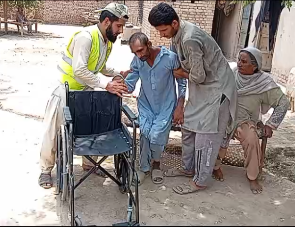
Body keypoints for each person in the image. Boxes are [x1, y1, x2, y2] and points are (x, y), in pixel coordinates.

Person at [148, 3, 238, 195]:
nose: (162, 35)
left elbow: (199, 76)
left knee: (206, 139)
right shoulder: (177, 36)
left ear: (174, 23)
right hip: (201, 90)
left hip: (216, 91)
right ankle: (188, 169)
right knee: (188, 129)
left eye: (163, 30)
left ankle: (201, 181)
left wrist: (180, 73)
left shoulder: (189, 39)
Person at [38, 3, 130, 189]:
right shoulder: (86, 37)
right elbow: (80, 69)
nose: (120, 31)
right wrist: (107, 84)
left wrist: (118, 72)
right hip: (65, 90)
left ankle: (89, 164)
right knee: (52, 132)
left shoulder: (107, 41)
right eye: (118, 26)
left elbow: (99, 66)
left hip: (85, 91)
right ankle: (46, 170)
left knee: (91, 126)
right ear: (106, 21)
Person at [213, 47, 289, 194]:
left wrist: (271, 124)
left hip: (244, 121)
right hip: (224, 116)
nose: (239, 64)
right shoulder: (232, 74)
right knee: (214, 135)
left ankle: (252, 177)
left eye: (244, 61)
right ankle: (215, 168)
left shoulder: (264, 83)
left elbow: (283, 103)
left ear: (255, 66)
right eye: (238, 60)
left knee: (252, 139)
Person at [123, 32, 186, 185]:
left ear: (149, 45)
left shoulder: (169, 58)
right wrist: (119, 82)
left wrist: (180, 106)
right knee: (145, 133)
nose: (138, 55)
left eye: (140, 50)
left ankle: (156, 164)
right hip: (145, 104)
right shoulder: (137, 61)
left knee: (157, 135)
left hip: (166, 105)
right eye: (135, 52)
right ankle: (144, 168)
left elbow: (182, 82)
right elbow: (130, 84)